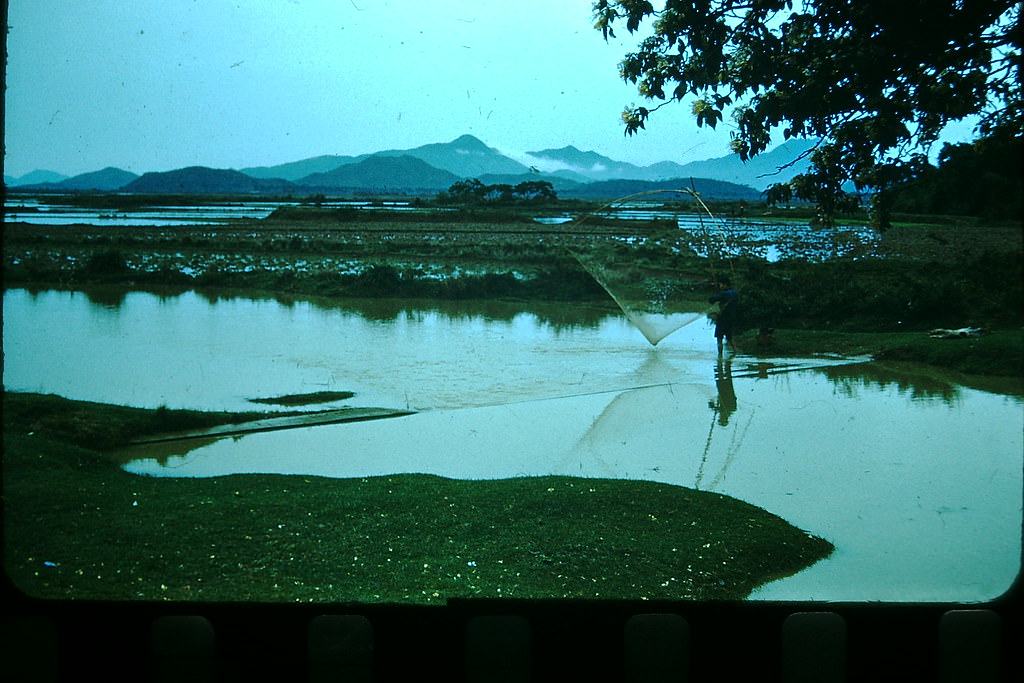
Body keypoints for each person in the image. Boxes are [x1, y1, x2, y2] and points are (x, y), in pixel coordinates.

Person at [708, 276, 739, 355]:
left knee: (719, 338)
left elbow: (711, 300)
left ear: (725, 285)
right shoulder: (734, 293)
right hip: (731, 319)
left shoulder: (724, 294)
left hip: (723, 319)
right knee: (730, 338)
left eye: (721, 284)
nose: (720, 286)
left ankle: (720, 357)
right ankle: (735, 353)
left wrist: (717, 293)